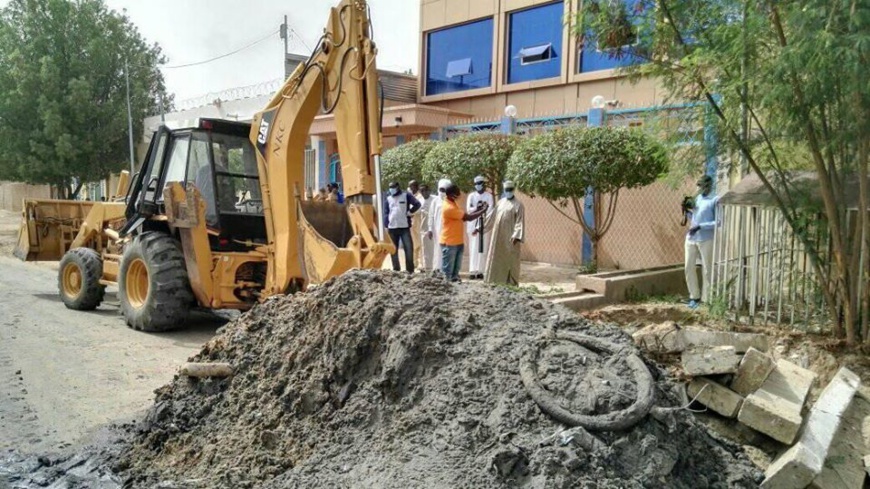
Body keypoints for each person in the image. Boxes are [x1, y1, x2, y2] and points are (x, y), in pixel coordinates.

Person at [440, 183, 488, 282]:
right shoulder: (449, 207)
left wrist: (478, 210)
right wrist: (483, 210)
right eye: (457, 193)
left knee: (455, 272)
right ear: (451, 194)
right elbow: (468, 218)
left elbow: (464, 216)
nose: (459, 195)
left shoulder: (452, 203)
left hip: (457, 241)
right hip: (449, 243)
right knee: (448, 272)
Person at [685, 175, 719, 309]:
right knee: (688, 267)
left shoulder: (715, 200)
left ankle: (708, 299)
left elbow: (719, 222)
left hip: (706, 238)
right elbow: (692, 218)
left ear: (709, 186)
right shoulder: (696, 199)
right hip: (691, 237)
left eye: (703, 185)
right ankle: (694, 296)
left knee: (707, 269)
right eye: (699, 185)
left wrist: (701, 226)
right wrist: (686, 211)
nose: (700, 188)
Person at [484, 181, 525, 285]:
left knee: (510, 259)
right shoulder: (500, 202)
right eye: (506, 190)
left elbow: (520, 221)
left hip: (510, 238)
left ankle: (510, 283)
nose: (508, 192)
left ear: (513, 190)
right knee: (497, 258)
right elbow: (492, 217)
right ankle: (495, 280)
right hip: (498, 237)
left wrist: (516, 235)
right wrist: (481, 226)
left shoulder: (518, 204)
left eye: (510, 190)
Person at [384, 181, 421, 273]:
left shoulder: (406, 195)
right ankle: (396, 269)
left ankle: (409, 270)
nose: (391, 189)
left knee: (408, 248)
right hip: (392, 228)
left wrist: (410, 212)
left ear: (397, 187)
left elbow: (417, 204)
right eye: (390, 187)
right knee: (393, 250)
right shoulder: (388, 198)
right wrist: (386, 224)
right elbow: (386, 212)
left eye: (393, 187)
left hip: (404, 227)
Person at [466, 175, 494, 279]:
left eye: (480, 183)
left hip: (484, 225)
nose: (479, 186)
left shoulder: (488, 196)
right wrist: (477, 208)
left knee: (483, 248)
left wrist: (481, 225)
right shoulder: (471, 196)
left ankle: (481, 271)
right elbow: (469, 210)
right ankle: (473, 271)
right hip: (472, 224)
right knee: (473, 247)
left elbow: (490, 211)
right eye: (477, 184)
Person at [426, 179, 451, 272]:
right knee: (438, 248)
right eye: (441, 190)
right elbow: (431, 215)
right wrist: (430, 229)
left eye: (444, 190)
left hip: (449, 229)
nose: (442, 192)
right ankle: (437, 268)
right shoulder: (435, 201)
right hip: (437, 229)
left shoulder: (451, 201)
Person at [416, 184, 435, 271]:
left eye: (425, 190)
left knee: (434, 248)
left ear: (429, 191)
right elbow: (415, 211)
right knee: (425, 248)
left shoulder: (435, 199)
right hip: (424, 228)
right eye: (422, 191)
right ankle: (426, 267)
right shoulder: (419, 201)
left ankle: (435, 266)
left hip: (435, 228)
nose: (424, 193)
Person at [407, 179, 421, 269]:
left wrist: (410, 212)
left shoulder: (420, 196)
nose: (410, 188)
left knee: (419, 243)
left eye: (411, 186)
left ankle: (420, 264)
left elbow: (418, 208)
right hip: (411, 223)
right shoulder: (409, 196)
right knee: (412, 243)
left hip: (418, 221)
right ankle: (414, 263)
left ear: (415, 187)